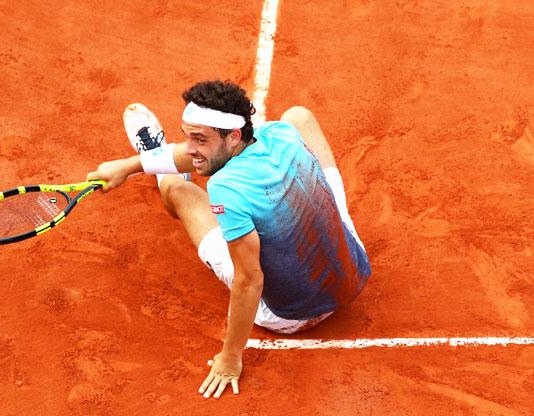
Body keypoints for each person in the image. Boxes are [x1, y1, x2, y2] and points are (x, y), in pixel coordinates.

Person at [86, 80, 371, 399]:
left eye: (200, 139)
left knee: (179, 191)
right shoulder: (281, 134)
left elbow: (249, 281)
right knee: (299, 115)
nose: (191, 147)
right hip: (353, 274)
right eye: (186, 136)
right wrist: (128, 167)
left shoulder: (226, 189)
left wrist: (230, 358)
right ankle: (155, 157)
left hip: (293, 317)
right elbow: (199, 152)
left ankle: (161, 169)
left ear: (234, 136)